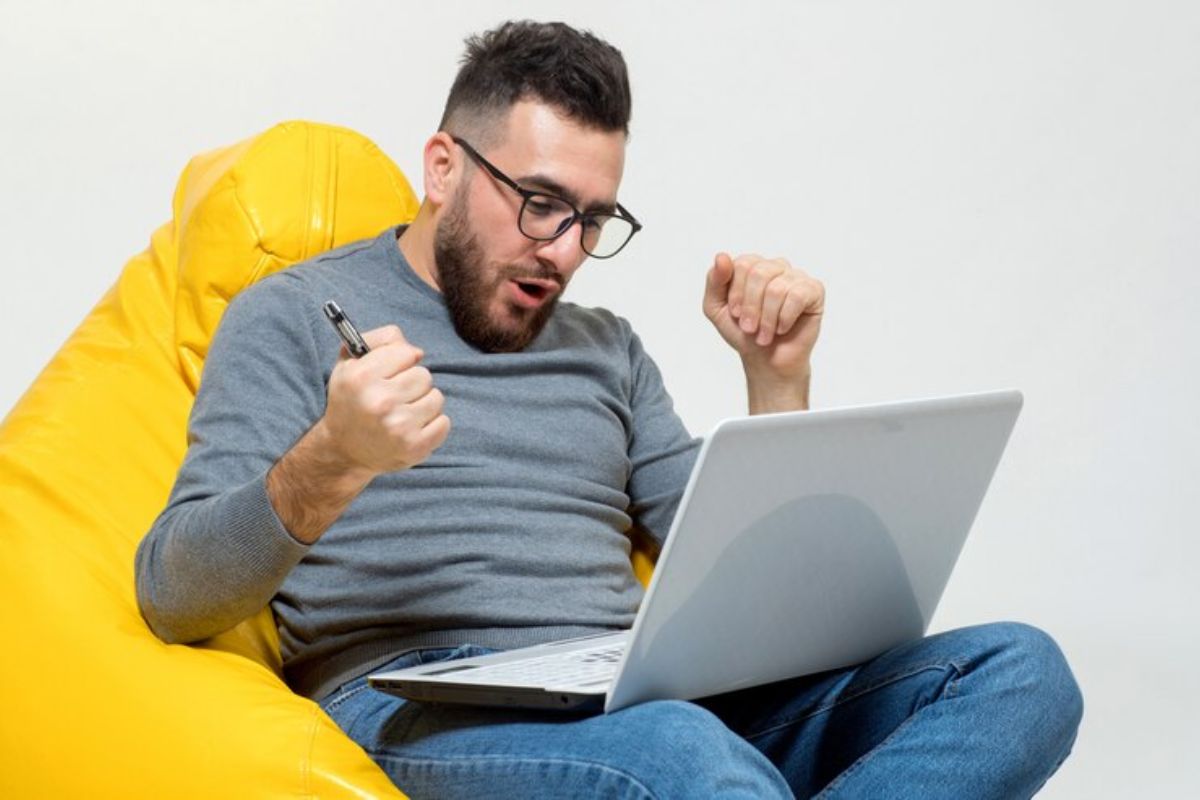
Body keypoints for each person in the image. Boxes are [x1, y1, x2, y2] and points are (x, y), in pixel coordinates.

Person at [136, 20, 1082, 799]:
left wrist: (776, 377)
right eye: (540, 203)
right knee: (683, 755)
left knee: (1019, 673)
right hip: (422, 704)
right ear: (442, 167)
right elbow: (173, 597)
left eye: (594, 219)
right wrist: (335, 458)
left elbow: (761, 589)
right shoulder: (295, 316)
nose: (565, 249)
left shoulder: (606, 347)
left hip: (631, 689)